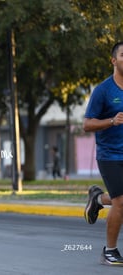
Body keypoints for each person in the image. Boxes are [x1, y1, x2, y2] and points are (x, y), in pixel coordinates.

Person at [83, 41, 123, 266]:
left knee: (120, 200)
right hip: (110, 155)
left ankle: (97, 199)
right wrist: (111, 121)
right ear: (114, 60)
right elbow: (87, 125)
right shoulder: (103, 90)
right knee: (121, 202)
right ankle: (109, 251)